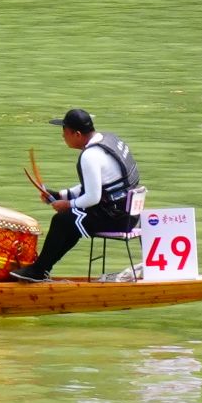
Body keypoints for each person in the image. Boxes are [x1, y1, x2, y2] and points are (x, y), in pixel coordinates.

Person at [19, 108, 141, 279]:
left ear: (76, 134)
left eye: (65, 132)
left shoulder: (89, 156)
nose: (63, 136)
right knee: (72, 221)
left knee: (62, 220)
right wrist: (61, 195)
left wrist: (67, 205)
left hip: (116, 218)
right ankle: (42, 268)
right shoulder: (108, 140)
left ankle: (38, 271)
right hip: (129, 213)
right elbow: (97, 184)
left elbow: (93, 197)